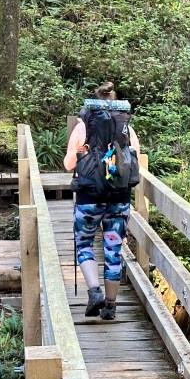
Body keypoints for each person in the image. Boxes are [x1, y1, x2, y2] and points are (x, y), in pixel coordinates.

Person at [63, 82, 140, 320]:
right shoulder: (126, 128)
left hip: (89, 197)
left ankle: (95, 291)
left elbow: (68, 164)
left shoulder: (83, 126)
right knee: (113, 249)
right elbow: (135, 160)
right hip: (119, 197)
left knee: (84, 243)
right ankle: (110, 307)